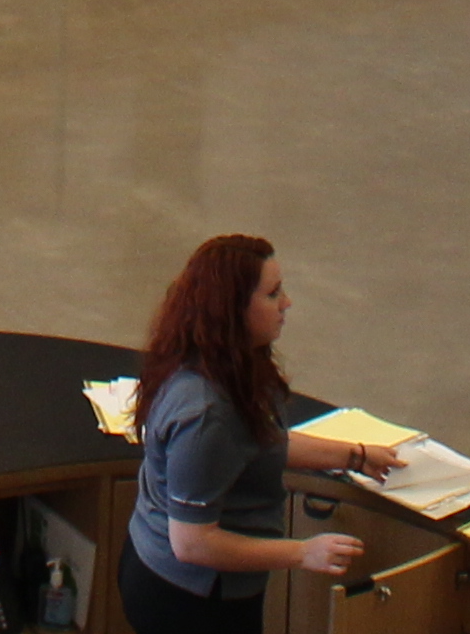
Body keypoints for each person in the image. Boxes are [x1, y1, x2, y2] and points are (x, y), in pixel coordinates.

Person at [120, 235, 399, 632]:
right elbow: (193, 543)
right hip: (188, 599)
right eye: (273, 294)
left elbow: (258, 441)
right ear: (233, 310)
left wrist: (353, 455)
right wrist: (302, 553)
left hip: (197, 580)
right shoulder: (206, 416)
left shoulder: (227, 362)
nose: (287, 303)